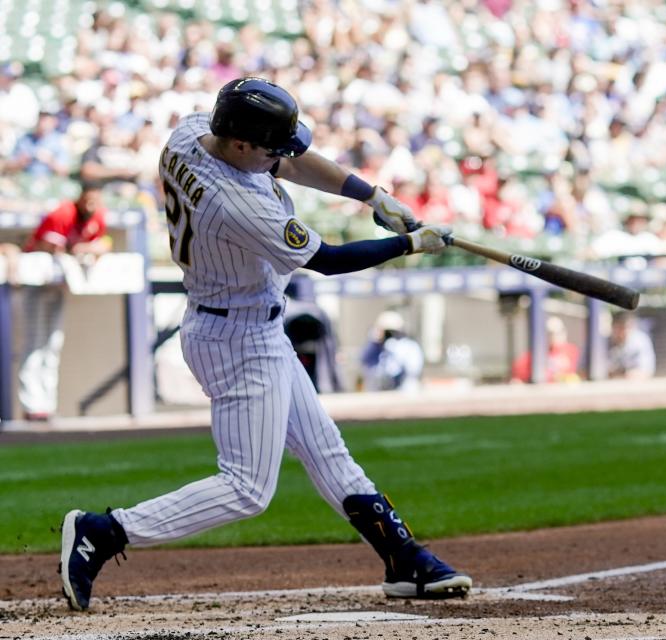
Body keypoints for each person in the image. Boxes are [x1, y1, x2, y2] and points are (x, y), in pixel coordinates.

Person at [59, 77, 470, 612]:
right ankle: (104, 531)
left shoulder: (190, 134)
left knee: (327, 453)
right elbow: (329, 261)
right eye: (270, 146)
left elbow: (291, 162)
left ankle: (403, 560)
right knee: (247, 488)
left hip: (251, 325)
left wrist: (371, 194)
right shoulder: (236, 205)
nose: (280, 154)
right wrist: (409, 243)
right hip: (235, 338)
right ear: (240, 144)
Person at [19, 182, 111, 421]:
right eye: (88, 201)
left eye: (96, 202)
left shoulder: (97, 216)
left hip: (60, 286)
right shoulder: (63, 213)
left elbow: (103, 243)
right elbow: (47, 245)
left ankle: (47, 404)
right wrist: (76, 249)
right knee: (35, 343)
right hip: (37, 283)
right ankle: (31, 406)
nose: (92, 207)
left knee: (53, 344)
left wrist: (88, 248)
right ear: (80, 198)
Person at [360, 310, 425, 392]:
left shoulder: (409, 346)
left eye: (392, 332)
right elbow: (365, 361)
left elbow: (414, 369)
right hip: (380, 392)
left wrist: (395, 351)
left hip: (403, 391)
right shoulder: (376, 348)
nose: (389, 335)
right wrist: (374, 342)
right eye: (386, 332)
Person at [510, 315, 580, 383]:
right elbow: (518, 373)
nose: (554, 336)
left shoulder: (571, 350)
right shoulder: (537, 352)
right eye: (550, 333)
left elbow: (570, 373)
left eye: (558, 332)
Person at [606, 311, 656, 380]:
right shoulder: (602, 343)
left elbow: (646, 372)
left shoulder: (640, 341)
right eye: (618, 328)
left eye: (625, 328)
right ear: (612, 327)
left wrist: (621, 374)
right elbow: (593, 372)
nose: (621, 333)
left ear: (632, 326)